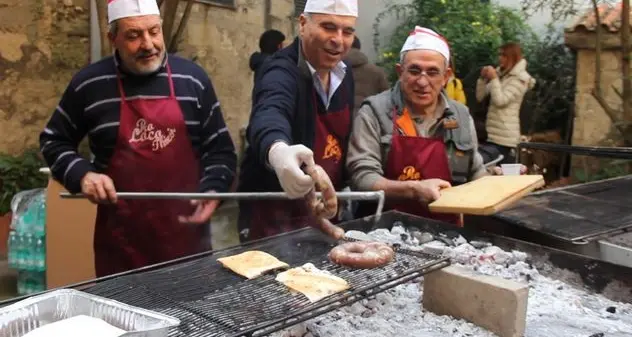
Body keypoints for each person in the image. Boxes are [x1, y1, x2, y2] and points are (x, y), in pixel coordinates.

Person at [39, 0, 237, 277]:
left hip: (188, 242)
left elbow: (221, 151)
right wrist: (84, 176)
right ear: (113, 39)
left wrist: (214, 189)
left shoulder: (193, 80)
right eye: (133, 35)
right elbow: (53, 140)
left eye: (154, 32)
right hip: (122, 246)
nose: (148, 44)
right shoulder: (89, 84)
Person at [346, 26, 523, 226]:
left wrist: (498, 182)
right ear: (399, 71)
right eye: (414, 70)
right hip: (381, 231)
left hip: (447, 233)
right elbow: (362, 177)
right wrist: (414, 189)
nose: (423, 81)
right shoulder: (374, 111)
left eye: (432, 72)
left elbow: (475, 173)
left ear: (446, 77)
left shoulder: (460, 115)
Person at [237, 0, 358, 242]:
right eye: (328, 27)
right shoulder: (280, 70)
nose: (338, 39)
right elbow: (270, 111)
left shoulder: (345, 76)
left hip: (322, 212)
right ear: (303, 24)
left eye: (347, 31)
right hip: (274, 215)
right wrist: (279, 151)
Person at [476, 42, 535, 164]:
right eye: (499, 55)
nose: (500, 58)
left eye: (504, 55)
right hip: (491, 135)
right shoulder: (501, 75)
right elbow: (480, 97)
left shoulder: (521, 79)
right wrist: (482, 79)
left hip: (505, 138)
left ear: (512, 57)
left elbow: (500, 101)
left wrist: (493, 79)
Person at [345, 36, 390, 113]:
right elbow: (387, 99)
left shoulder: (333, 70)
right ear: (359, 47)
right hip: (368, 116)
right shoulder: (377, 71)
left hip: (341, 118)